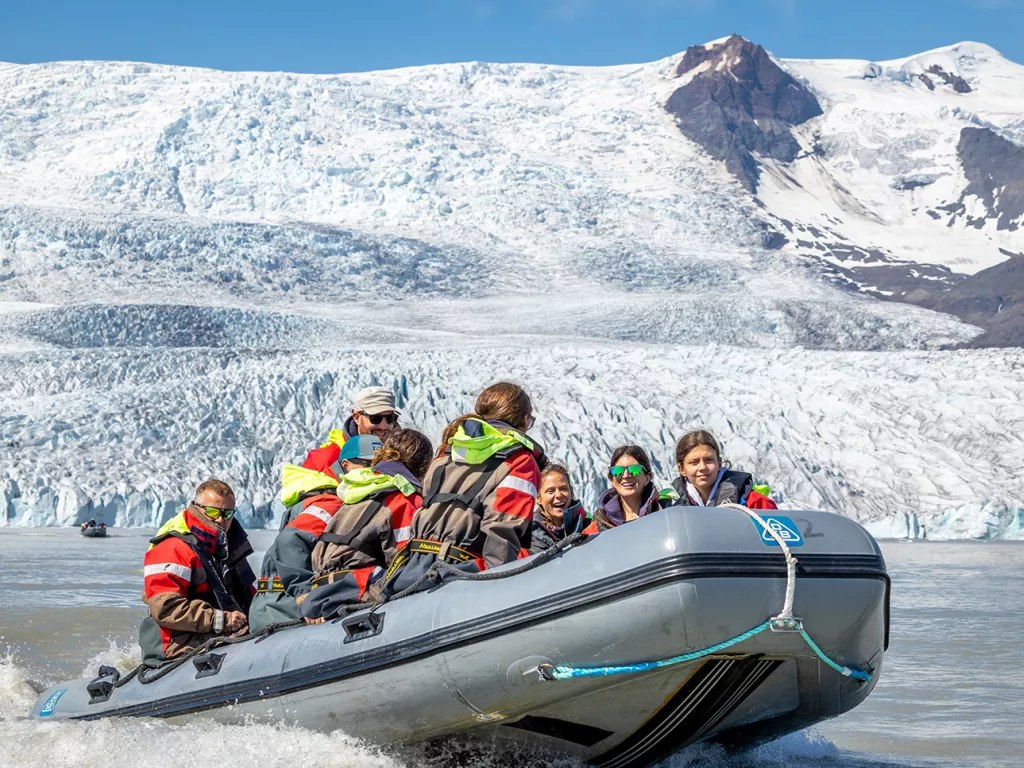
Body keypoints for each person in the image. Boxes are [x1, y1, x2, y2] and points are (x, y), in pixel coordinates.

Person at [385, 382, 543, 595]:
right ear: (524, 420)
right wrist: (499, 587)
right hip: (461, 571)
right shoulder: (519, 460)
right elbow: (502, 529)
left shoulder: (448, 452)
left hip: (416, 567)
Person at [301, 429, 434, 622]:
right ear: (423, 467)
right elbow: (406, 564)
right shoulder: (403, 498)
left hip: (326, 588)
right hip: (358, 588)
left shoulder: (360, 489)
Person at [139, 479, 256, 667]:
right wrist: (222, 620)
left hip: (219, 638)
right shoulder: (173, 549)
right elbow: (165, 608)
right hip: (179, 649)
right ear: (196, 507)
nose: (220, 519)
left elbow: (249, 595)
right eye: (212, 511)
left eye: (227, 513)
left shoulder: (227, 549)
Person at [249, 468, 344, 631]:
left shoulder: (300, 510)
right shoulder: (328, 504)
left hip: (267, 607)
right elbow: (289, 541)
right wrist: (306, 596)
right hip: (286, 607)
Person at [277, 435, 381, 530]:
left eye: (382, 465)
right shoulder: (328, 500)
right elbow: (289, 542)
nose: (376, 471)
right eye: (369, 464)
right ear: (346, 465)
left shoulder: (356, 495)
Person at [301, 387, 400, 479]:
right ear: (357, 417)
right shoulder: (325, 459)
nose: (383, 426)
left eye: (389, 418)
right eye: (375, 418)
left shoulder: (405, 453)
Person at [662, 430, 777, 509]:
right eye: (694, 462)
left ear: (719, 463)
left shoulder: (753, 502)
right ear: (681, 469)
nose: (702, 467)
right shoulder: (673, 510)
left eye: (709, 460)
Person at [584, 445, 664, 533]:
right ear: (612, 479)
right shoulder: (601, 522)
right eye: (618, 471)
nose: (626, 475)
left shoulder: (663, 511)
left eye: (634, 470)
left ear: (648, 477)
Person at [529, 463, 589, 554]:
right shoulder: (529, 536)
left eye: (563, 489)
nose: (558, 495)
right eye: (550, 491)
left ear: (571, 492)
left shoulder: (589, 526)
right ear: (538, 498)